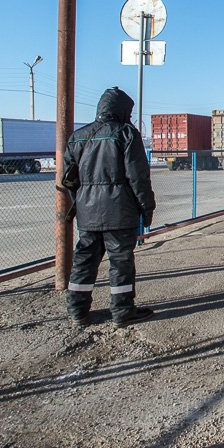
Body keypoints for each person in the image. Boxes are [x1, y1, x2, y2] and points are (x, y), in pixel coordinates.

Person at [62, 87, 157, 328]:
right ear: (123, 110)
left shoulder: (78, 136)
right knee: (120, 262)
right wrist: (146, 208)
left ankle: (77, 311)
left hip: (87, 213)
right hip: (119, 211)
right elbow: (138, 177)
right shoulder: (126, 134)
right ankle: (123, 311)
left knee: (84, 261)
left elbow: (69, 179)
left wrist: (80, 203)